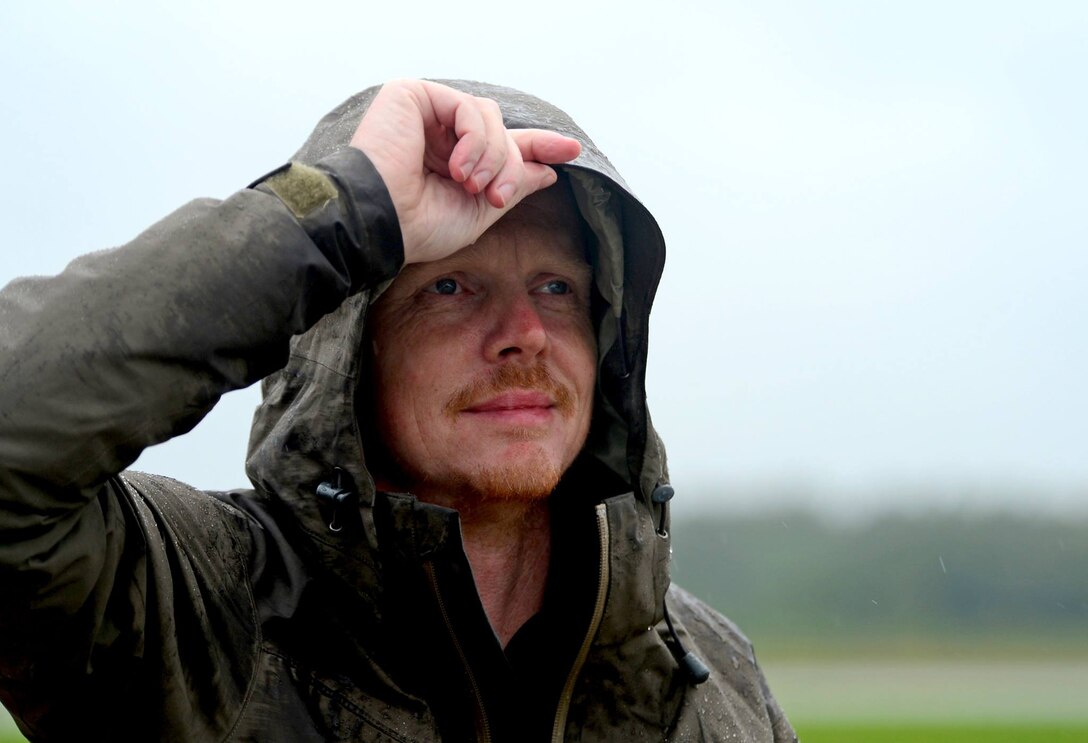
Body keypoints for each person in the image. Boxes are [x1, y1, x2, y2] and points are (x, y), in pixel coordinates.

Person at [0, 79, 796, 742]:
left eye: (557, 289)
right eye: (449, 287)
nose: (523, 336)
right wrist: (345, 209)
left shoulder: (711, 680)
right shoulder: (189, 616)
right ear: (347, 352)